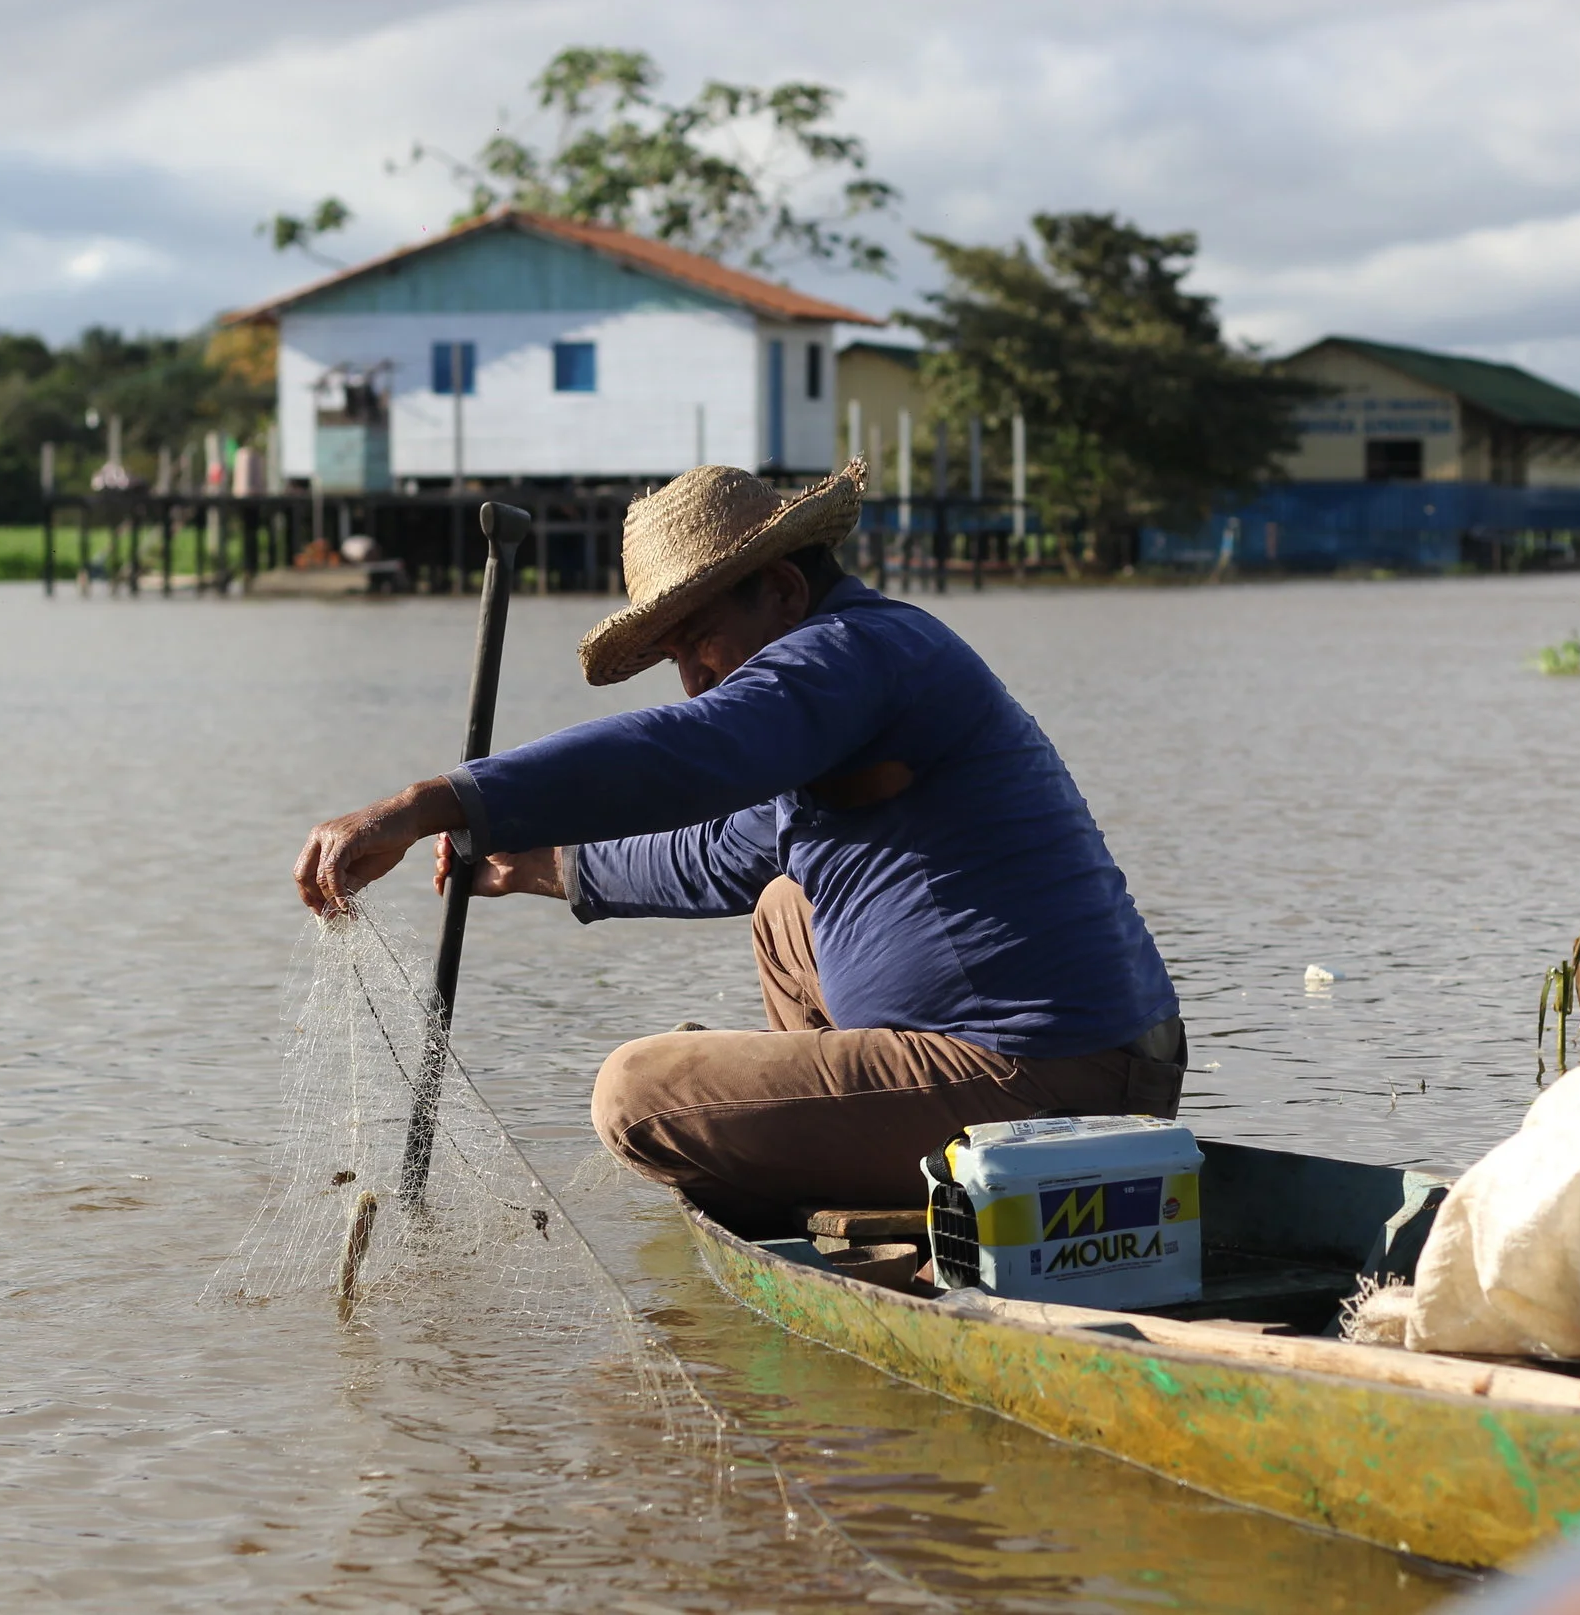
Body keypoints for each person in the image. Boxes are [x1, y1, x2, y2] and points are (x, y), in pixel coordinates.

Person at [293, 461, 1183, 1235]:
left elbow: (695, 751)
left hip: (1042, 1082)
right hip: (1081, 1059)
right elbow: (729, 850)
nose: (693, 679)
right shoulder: (850, 691)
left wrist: (429, 803)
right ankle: (850, 1173)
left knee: (634, 1092)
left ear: (787, 592)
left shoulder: (854, 652)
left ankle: (834, 1174)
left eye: (699, 640)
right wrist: (530, 862)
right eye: (673, 654)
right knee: (785, 912)